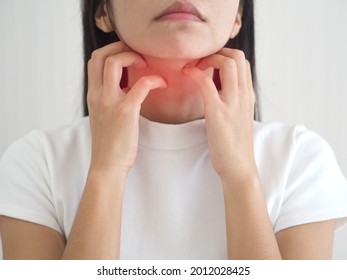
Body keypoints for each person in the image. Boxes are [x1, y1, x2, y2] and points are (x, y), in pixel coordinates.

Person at [0, 0, 347, 260]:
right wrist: (106, 170)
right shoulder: (35, 163)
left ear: (238, 14)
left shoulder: (302, 160)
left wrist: (241, 173)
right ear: (103, 9)